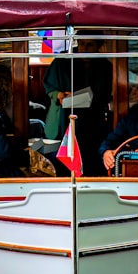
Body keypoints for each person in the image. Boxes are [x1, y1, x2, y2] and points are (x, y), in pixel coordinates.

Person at [42, 38, 112, 176]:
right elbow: (49, 86)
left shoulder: (104, 66)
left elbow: (103, 94)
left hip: (90, 119)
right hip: (62, 117)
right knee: (60, 157)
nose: (84, 47)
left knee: (88, 158)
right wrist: (59, 95)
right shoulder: (62, 60)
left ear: (98, 46)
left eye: (90, 44)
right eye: (81, 43)